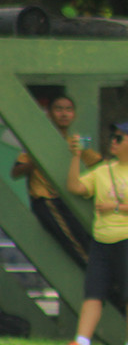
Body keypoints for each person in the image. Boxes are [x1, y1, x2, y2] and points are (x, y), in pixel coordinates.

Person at [59, 122, 128, 345]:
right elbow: (75, 186)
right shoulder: (104, 169)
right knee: (93, 290)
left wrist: (115, 206)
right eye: (113, 137)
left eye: (119, 138)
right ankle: (82, 342)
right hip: (102, 238)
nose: (113, 141)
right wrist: (76, 157)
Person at [10, 95, 102, 267]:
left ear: (74, 114)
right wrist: (37, 160)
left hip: (71, 200)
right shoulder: (38, 142)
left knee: (86, 235)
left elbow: (101, 164)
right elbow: (16, 171)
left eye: (68, 109)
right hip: (47, 200)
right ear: (49, 114)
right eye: (58, 109)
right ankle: (99, 276)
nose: (64, 114)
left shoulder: (76, 141)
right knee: (75, 242)